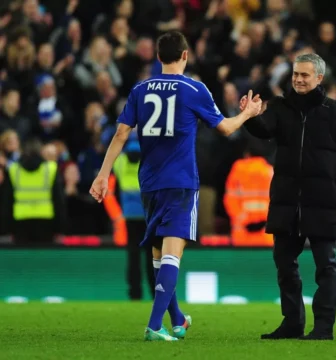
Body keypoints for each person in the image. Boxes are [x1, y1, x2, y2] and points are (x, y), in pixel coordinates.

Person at [89, 30, 263, 341]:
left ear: (158, 58)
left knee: (159, 254)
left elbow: (120, 134)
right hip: (180, 181)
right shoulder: (194, 89)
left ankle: (177, 318)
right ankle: (155, 326)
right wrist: (247, 114)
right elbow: (224, 128)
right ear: (185, 55)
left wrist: (102, 175)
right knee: (172, 253)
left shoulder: (140, 89)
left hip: (149, 183)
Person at [240, 53, 336, 340]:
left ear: (319, 78)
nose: (298, 79)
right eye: (296, 74)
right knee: (285, 266)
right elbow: (264, 130)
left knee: (326, 267)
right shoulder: (281, 107)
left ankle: (323, 328)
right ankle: (292, 324)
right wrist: (250, 116)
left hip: (322, 201)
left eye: (305, 75)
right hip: (286, 202)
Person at [103, 138, 156, 300]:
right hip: (148, 215)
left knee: (133, 256)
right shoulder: (150, 160)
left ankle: (134, 293)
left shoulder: (119, 162)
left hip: (129, 216)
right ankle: (155, 292)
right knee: (151, 257)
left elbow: (111, 188)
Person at [0, 138, 66, 244]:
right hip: (46, 222)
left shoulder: (14, 170)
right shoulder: (51, 168)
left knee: (23, 259)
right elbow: (59, 201)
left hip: (20, 222)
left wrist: (6, 228)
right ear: (40, 151)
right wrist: (60, 228)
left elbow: (7, 203)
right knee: (44, 258)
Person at [223, 142, 274, 247]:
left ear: (247, 154)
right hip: (265, 234)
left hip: (242, 234)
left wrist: (243, 219)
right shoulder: (269, 172)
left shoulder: (238, 169)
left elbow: (230, 199)